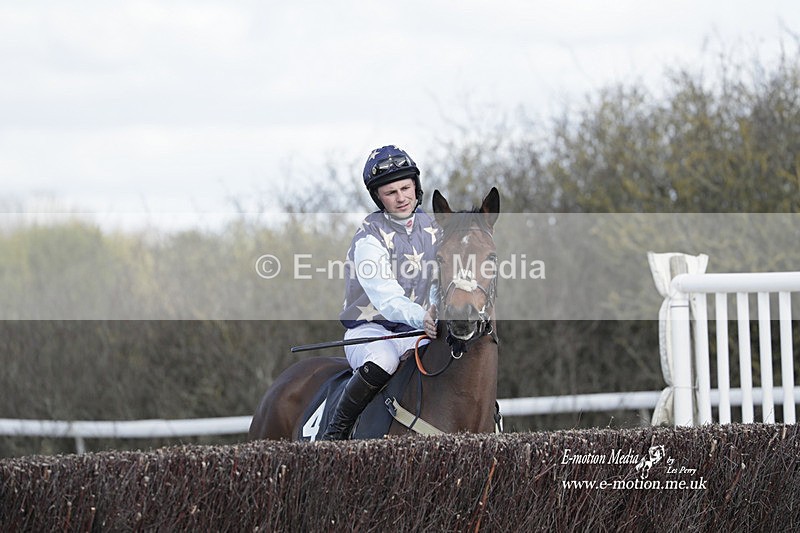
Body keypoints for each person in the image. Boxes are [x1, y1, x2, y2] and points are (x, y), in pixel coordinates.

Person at [320, 145, 438, 440]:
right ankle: (335, 433)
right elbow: (387, 298)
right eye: (390, 192)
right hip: (371, 332)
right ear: (378, 197)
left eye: (405, 188)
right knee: (384, 360)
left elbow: (441, 281)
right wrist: (425, 317)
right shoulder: (369, 238)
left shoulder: (436, 229)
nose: (401, 197)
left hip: (419, 330)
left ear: (416, 187)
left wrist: (441, 312)